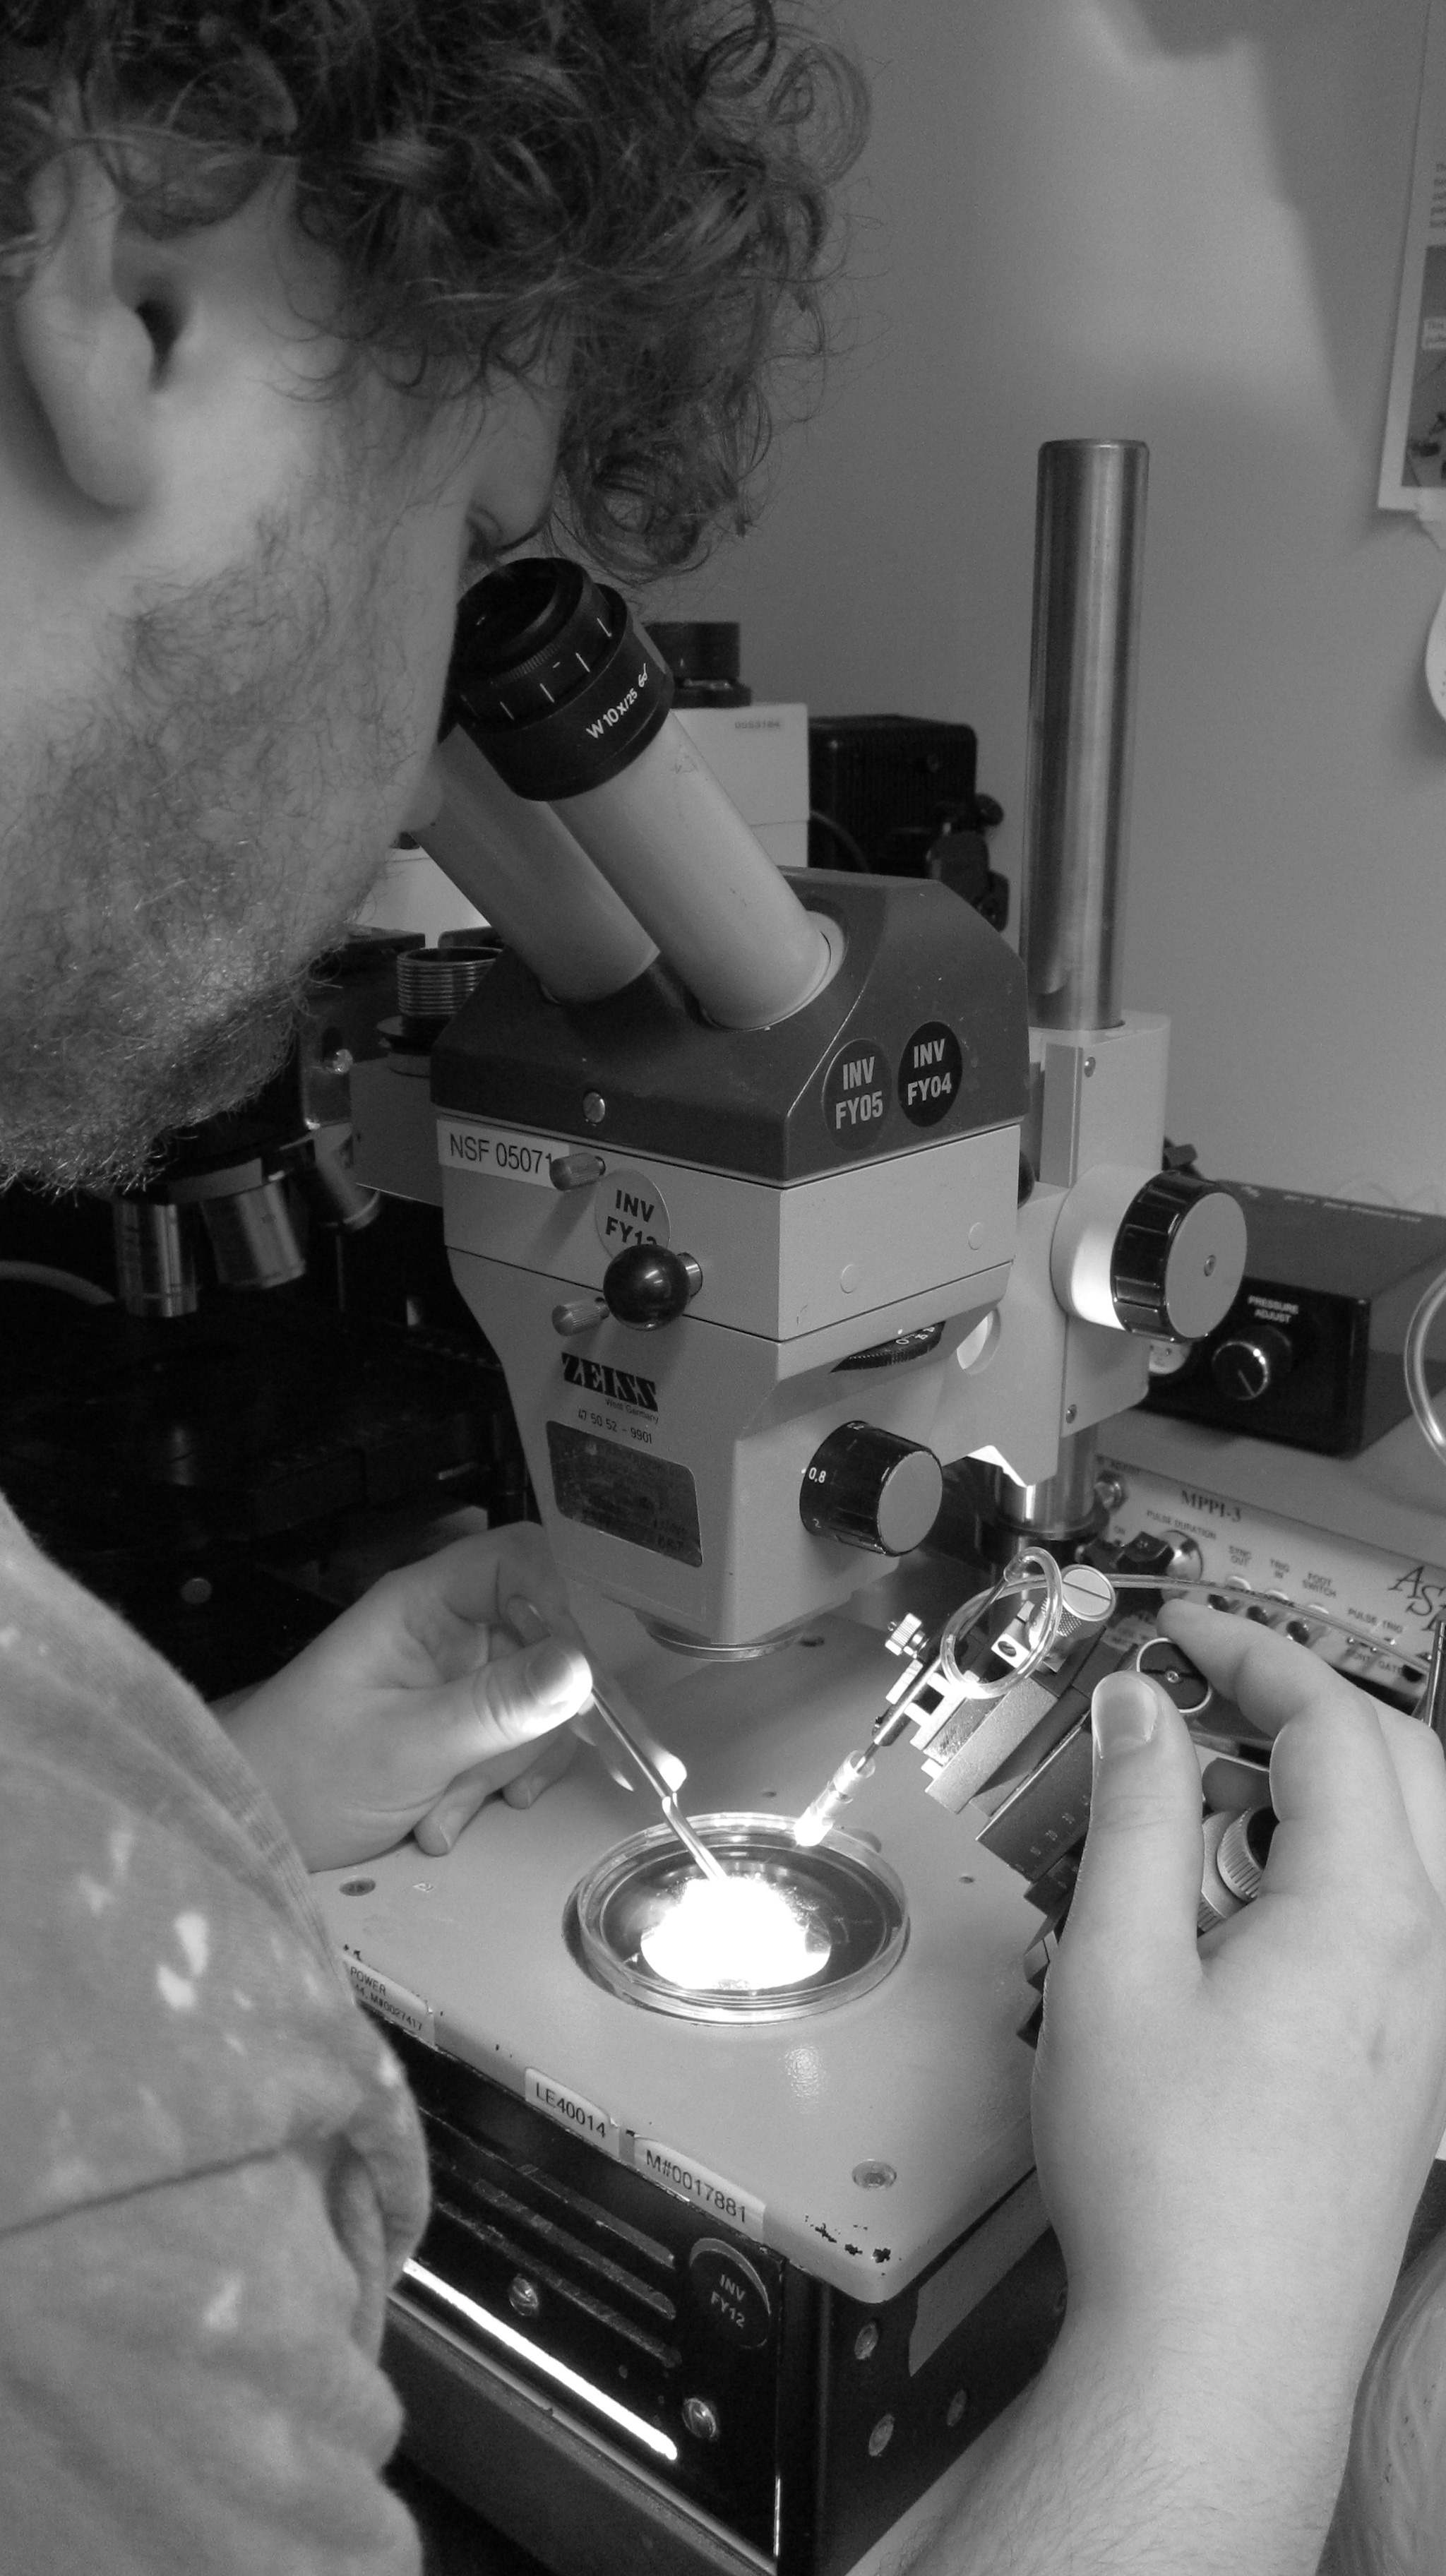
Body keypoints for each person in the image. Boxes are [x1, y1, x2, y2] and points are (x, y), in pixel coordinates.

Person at [0, 6, 1442, 2572]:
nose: (397, 776)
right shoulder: (107, 2105)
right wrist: (1247, 2308)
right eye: (460, 548)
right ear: (127, 310)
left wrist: (214, 1795)